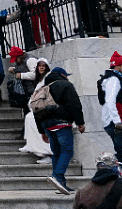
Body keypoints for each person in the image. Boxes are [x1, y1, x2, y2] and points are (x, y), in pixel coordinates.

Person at [34, 66, 86, 195]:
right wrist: (80, 122)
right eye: (66, 75)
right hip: (61, 122)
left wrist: (42, 131)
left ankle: (60, 184)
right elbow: (74, 103)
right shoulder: (65, 85)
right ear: (62, 75)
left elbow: (37, 110)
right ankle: (57, 176)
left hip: (47, 125)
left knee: (56, 152)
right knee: (67, 151)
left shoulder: (43, 88)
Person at [98, 51, 122, 182]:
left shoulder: (110, 79)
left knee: (121, 155)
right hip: (117, 122)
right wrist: (117, 121)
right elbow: (111, 101)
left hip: (112, 122)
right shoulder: (114, 79)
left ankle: (109, 179)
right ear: (117, 66)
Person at [16, 57, 53, 161]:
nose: (41, 68)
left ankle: (47, 153)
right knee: (29, 118)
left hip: (46, 110)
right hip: (38, 110)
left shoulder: (48, 78)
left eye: (43, 66)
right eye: (39, 66)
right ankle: (30, 144)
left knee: (34, 121)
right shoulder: (40, 79)